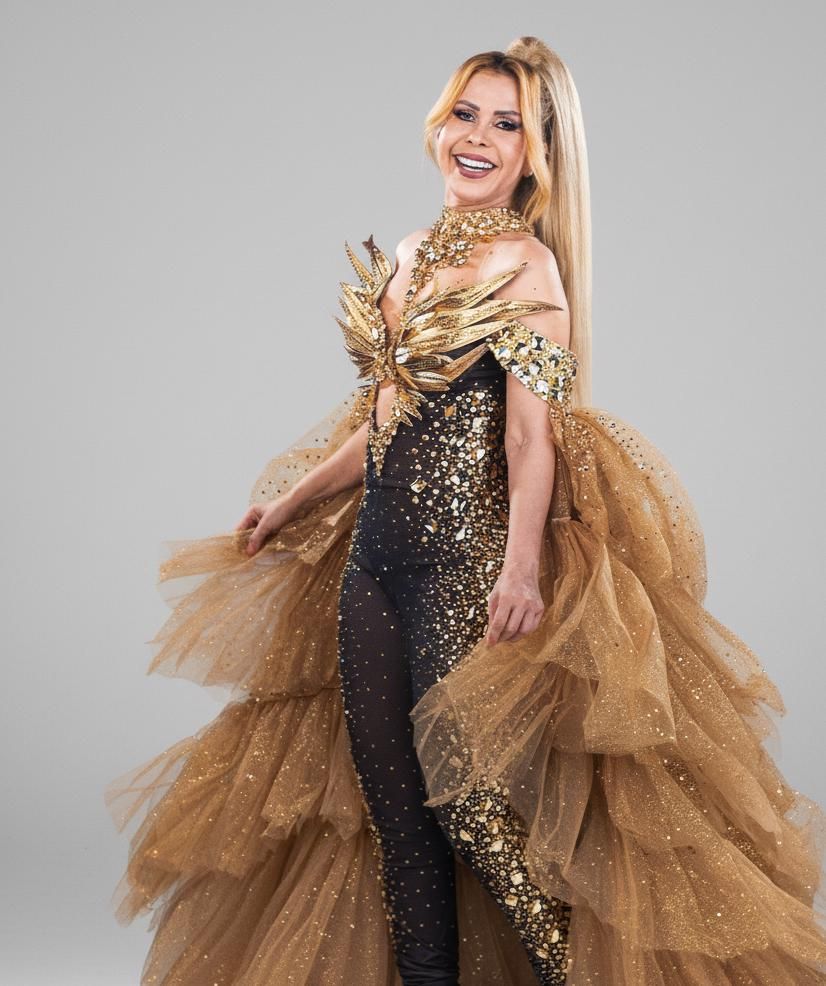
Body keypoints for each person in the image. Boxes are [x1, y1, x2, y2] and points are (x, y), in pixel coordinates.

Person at [104, 36, 826, 986]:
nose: (477, 137)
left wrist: (519, 569)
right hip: (373, 567)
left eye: (506, 124)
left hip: (464, 569)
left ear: (536, 155)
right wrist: (290, 500)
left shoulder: (529, 270)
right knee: (398, 824)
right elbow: (388, 417)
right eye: (465, 114)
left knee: (475, 816)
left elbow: (531, 440)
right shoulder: (410, 252)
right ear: (438, 126)